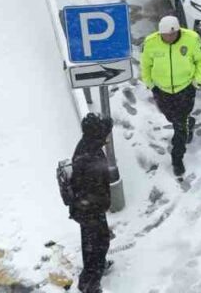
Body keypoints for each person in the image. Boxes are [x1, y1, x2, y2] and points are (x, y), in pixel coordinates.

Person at [140, 15, 201, 177]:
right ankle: (188, 123)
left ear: (178, 31)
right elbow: (145, 65)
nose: (168, 38)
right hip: (161, 90)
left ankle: (177, 158)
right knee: (171, 117)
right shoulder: (150, 43)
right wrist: (150, 85)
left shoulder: (192, 39)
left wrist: (196, 82)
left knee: (179, 125)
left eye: (172, 34)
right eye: (165, 35)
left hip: (185, 88)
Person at [70, 114, 113, 293]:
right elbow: (91, 188)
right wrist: (100, 204)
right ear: (96, 133)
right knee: (99, 244)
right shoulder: (89, 156)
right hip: (89, 209)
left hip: (87, 208)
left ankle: (95, 270)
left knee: (91, 244)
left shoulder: (89, 144)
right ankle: (90, 284)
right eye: (103, 134)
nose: (106, 138)